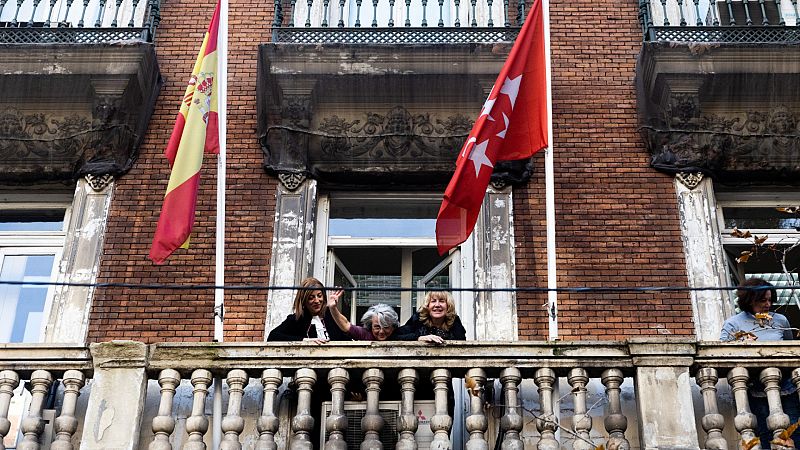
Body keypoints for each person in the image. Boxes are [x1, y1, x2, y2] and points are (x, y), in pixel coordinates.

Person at [720, 278, 799, 447]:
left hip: (786, 386)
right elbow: (723, 356)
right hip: (755, 390)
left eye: (770, 300)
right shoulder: (733, 324)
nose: (768, 304)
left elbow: (790, 352)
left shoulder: (780, 321)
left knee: (795, 432)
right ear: (749, 300)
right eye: (763, 300)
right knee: (764, 433)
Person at [267, 277, 351, 343]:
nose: (317, 301)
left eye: (319, 295)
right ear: (304, 300)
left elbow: (348, 335)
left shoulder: (332, 316)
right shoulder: (297, 319)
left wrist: (333, 308)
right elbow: (273, 336)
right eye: (311, 298)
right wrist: (304, 341)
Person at [395, 291, 466, 343]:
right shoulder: (418, 318)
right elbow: (395, 336)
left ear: (448, 306)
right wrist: (419, 338)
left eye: (442, 301)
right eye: (433, 301)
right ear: (427, 306)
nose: (437, 305)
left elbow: (462, 343)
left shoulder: (454, 319)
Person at [327, 290, 400, 340]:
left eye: (386, 327)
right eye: (377, 327)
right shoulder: (366, 335)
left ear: (393, 327)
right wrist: (333, 308)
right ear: (370, 326)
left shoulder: (400, 335)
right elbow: (346, 325)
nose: (381, 331)